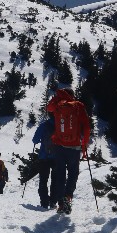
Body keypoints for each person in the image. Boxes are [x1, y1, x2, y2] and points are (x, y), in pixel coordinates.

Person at [46, 82, 90, 215]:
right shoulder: (78, 105)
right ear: (72, 95)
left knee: (60, 175)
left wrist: (57, 97)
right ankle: (68, 197)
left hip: (59, 146)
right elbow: (86, 126)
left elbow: (49, 108)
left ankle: (61, 204)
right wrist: (84, 145)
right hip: (74, 147)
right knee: (73, 174)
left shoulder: (58, 105)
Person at [32, 114, 56, 209]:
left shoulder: (44, 125)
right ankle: (53, 201)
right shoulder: (60, 125)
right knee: (56, 180)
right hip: (57, 157)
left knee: (43, 180)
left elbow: (35, 140)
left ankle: (44, 202)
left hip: (44, 157)